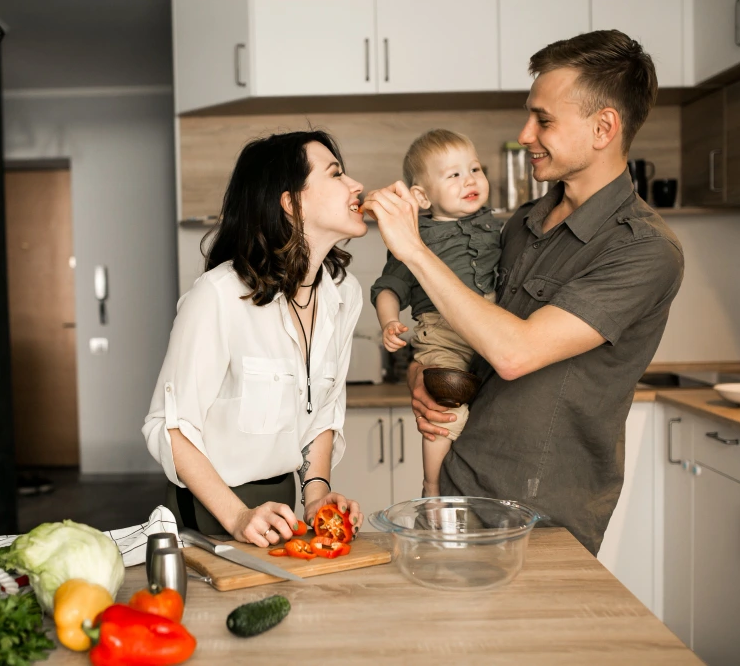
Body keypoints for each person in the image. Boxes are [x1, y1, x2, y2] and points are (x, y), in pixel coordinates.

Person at [362, 30, 685, 555]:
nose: (525, 133)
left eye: (544, 119)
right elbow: (474, 334)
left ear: (604, 127)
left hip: (540, 518)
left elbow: (514, 353)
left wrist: (414, 249)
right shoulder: (521, 224)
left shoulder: (644, 250)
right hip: (460, 481)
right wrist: (425, 374)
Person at [143, 130, 366, 547]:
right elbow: (170, 427)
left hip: (278, 518)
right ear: (291, 202)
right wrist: (238, 516)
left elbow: (321, 411)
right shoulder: (218, 296)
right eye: (336, 174)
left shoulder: (343, 295)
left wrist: (316, 497)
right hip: (208, 520)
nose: (356, 186)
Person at [370, 129, 501, 498]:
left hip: (495, 328)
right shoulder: (415, 239)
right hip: (444, 334)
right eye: (454, 175)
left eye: (475, 169)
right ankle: (433, 487)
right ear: (422, 196)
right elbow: (388, 287)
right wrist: (390, 322)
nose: (470, 180)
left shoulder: (496, 226)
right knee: (445, 412)